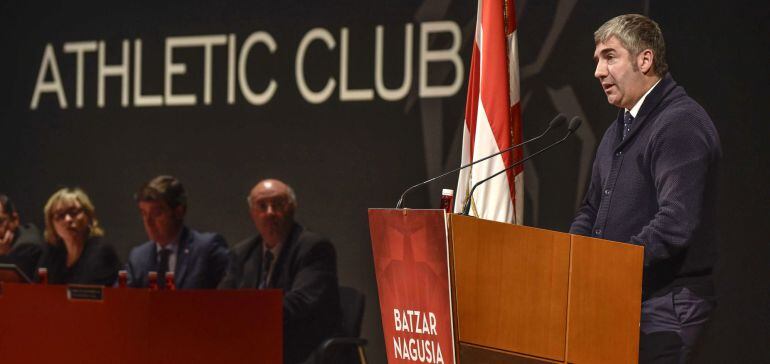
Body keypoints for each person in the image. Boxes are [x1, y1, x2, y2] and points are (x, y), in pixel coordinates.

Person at [570, 14, 721, 364]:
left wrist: (608, 266)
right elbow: (590, 209)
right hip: (621, 298)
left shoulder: (679, 123)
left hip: (668, 305)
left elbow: (675, 222)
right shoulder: (618, 129)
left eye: (610, 56)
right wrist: (574, 260)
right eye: (597, 60)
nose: (598, 71)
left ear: (645, 59)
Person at [219, 179, 342, 364]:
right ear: (252, 213)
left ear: (292, 208)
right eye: (262, 206)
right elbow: (222, 300)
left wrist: (246, 317)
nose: (269, 213)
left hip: (298, 347)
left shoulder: (314, 248)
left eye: (277, 205)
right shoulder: (243, 252)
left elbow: (299, 304)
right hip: (254, 344)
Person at [126, 175, 228, 289]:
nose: (148, 222)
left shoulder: (207, 249)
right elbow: (118, 299)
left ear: (179, 212)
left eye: (156, 213)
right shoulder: (138, 257)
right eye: (144, 213)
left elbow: (231, 297)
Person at [37, 188, 120, 286]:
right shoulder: (51, 253)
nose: (68, 219)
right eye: (60, 215)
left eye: (74, 212)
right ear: (51, 224)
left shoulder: (102, 251)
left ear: (88, 216)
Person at [0, 194, 44, 280]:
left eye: (0, 221)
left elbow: (10, 286)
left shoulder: (28, 246)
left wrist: (2, 255)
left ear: (15, 220)